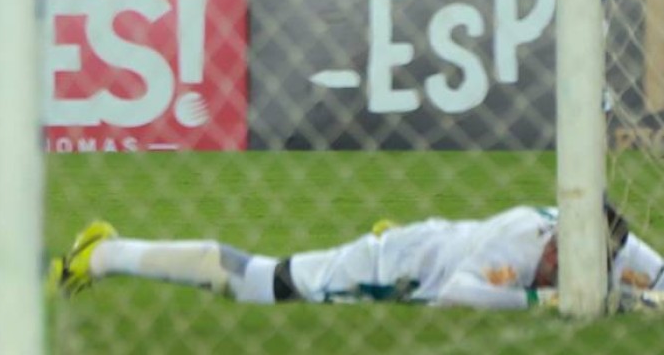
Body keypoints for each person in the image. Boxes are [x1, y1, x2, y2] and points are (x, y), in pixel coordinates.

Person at [50, 203, 664, 311]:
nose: (564, 267)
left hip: (435, 245)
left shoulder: (614, 244)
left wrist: (640, 300)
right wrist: (552, 298)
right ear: (555, 241)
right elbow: (459, 298)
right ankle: (103, 251)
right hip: (400, 265)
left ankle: (391, 246)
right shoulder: (521, 239)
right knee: (263, 282)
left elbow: (659, 282)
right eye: (560, 259)